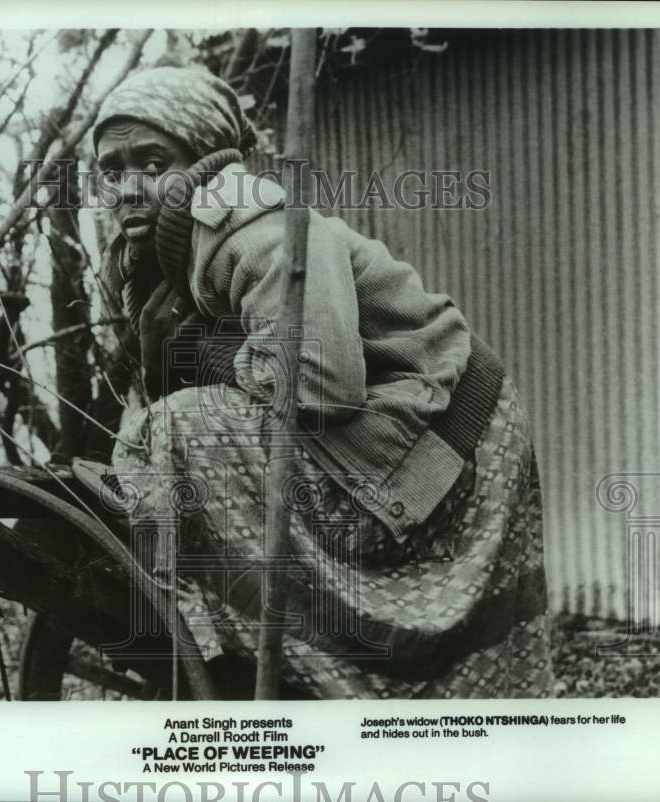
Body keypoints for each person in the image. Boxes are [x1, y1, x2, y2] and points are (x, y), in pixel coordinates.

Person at [87, 65, 554, 699]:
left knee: (180, 428)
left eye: (152, 161)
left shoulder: (255, 229)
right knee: (176, 425)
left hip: (454, 428)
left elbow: (322, 382)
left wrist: (210, 356)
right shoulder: (170, 255)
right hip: (401, 423)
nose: (129, 188)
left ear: (205, 159)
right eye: (112, 171)